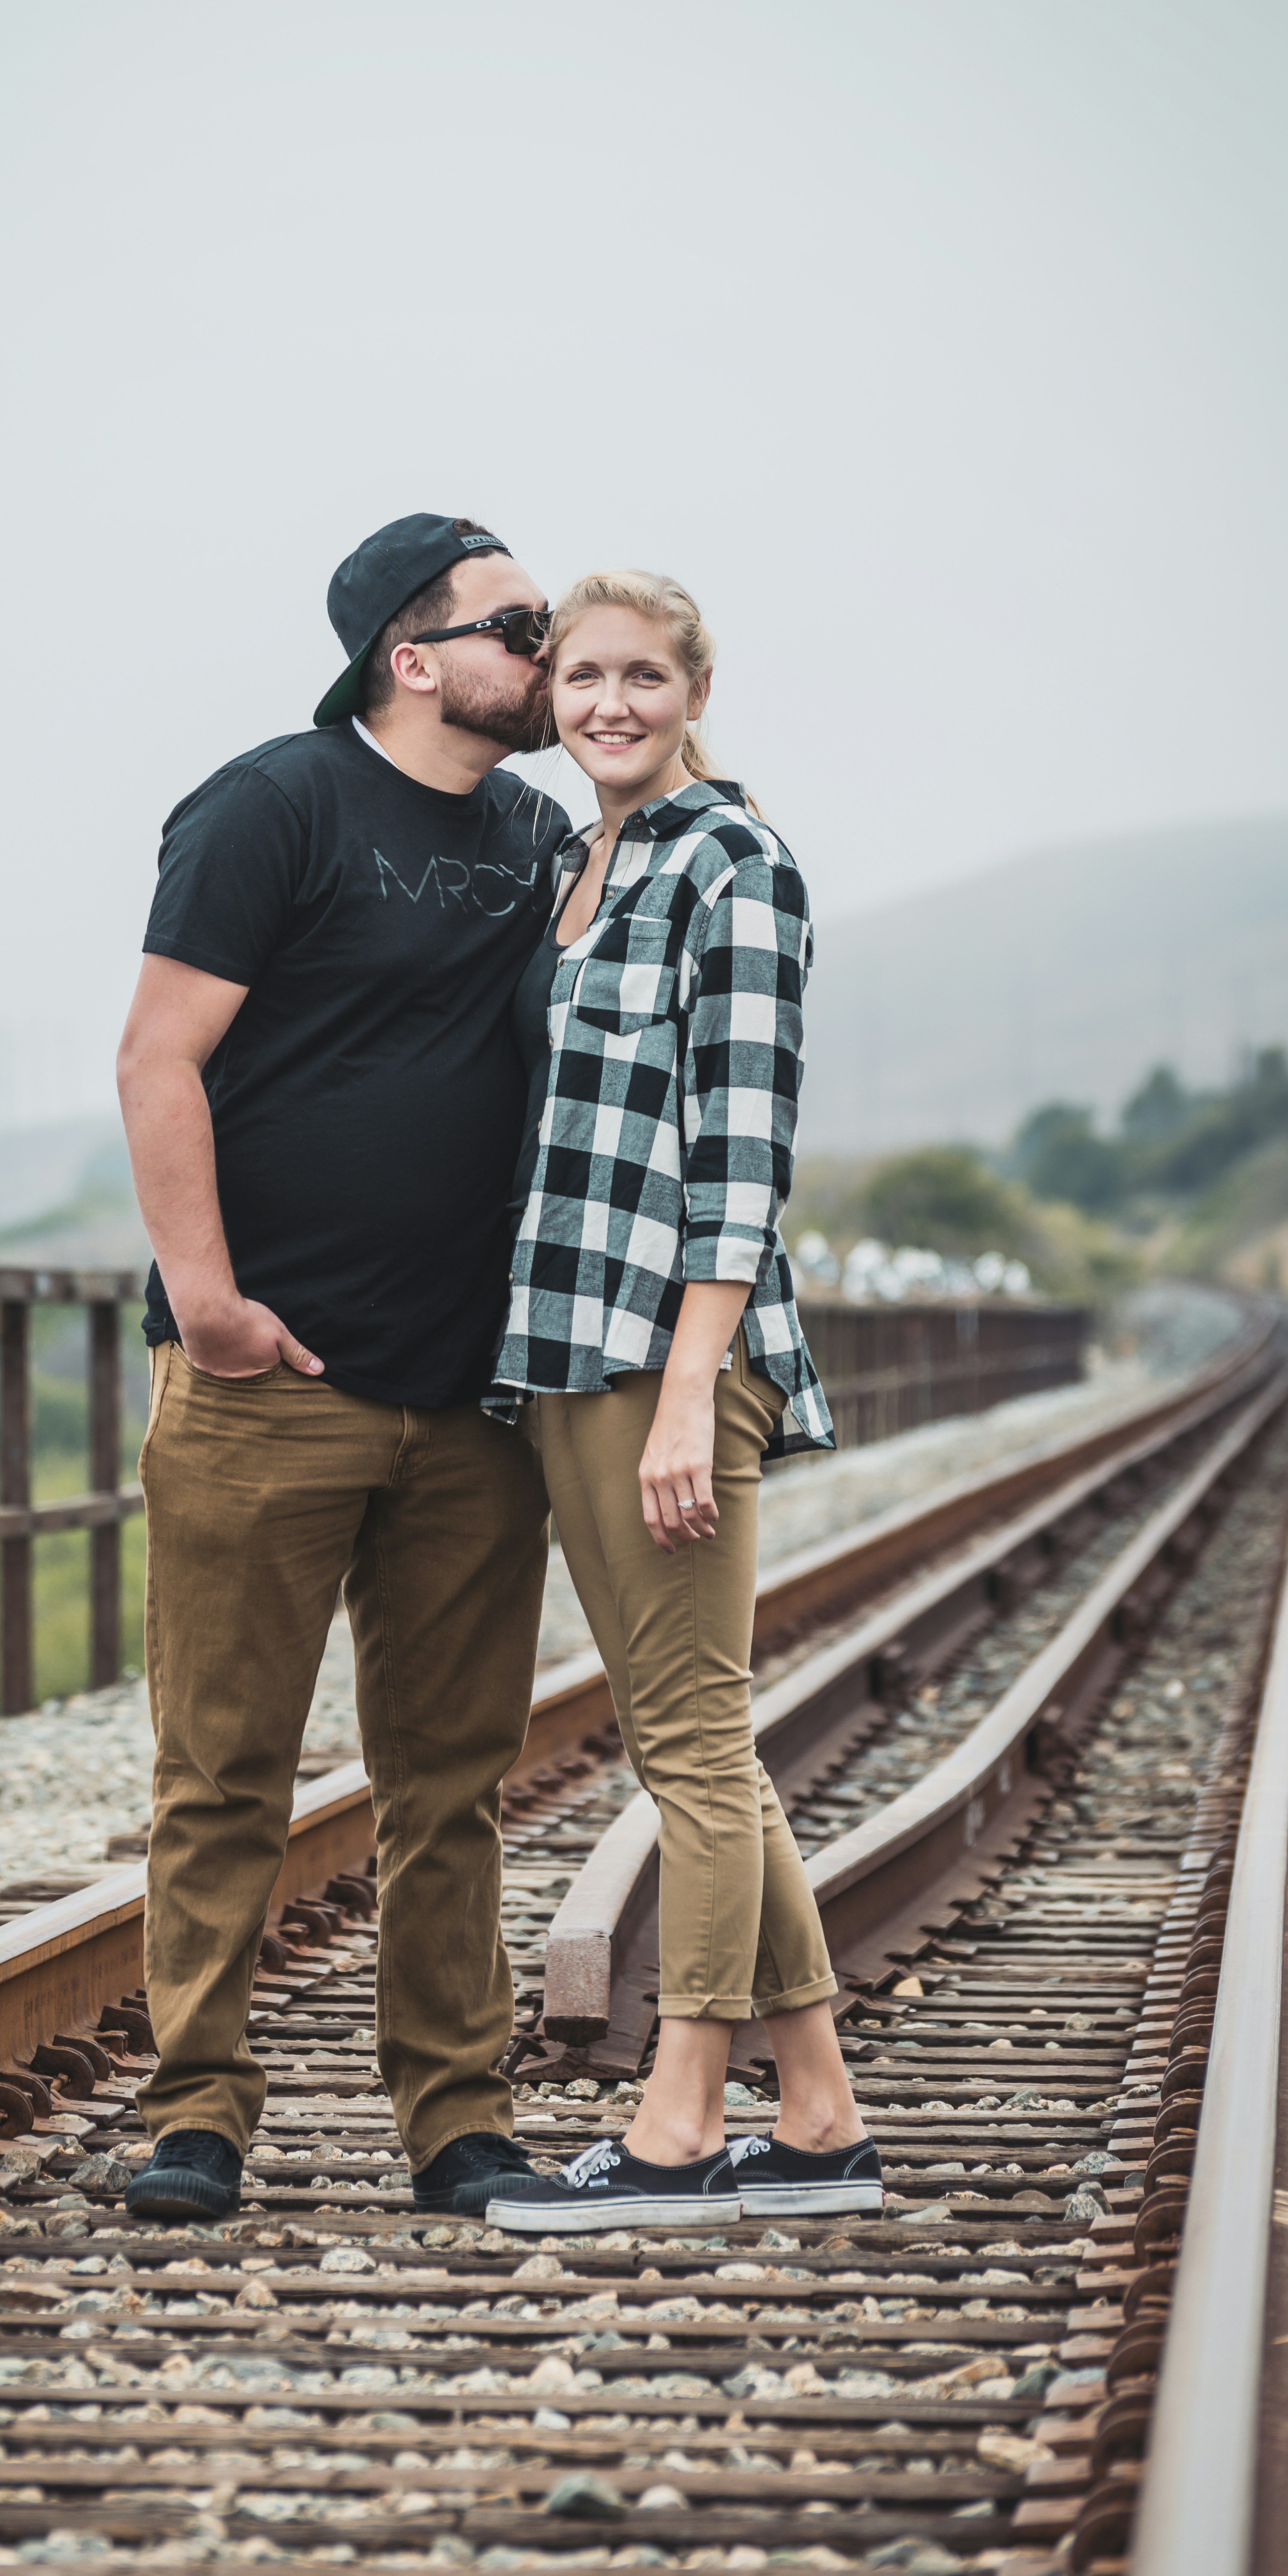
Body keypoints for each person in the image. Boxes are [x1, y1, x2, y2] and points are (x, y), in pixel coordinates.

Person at [114, 513, 571, 2227]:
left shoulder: (537, 834)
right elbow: (158, 1059)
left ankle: (458, 2118)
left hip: (468, 1397)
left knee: (449, 1784)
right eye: (516, 625)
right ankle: (196, 2117)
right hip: (265, 1381)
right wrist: (210, 1300)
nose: (541, 649)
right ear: (411, 653)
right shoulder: (271, 804)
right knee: (225, 1768)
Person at [479, 570, 880, 2233]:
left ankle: (676, 2122)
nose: (610, 704)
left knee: (695, 1748)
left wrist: (686, 1390)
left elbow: (742, 1155)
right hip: (567, 1344)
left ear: (695, 684)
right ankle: (817, 2113)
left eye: (642, 675)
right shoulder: (587, 861)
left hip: (665, 1354)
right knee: (688, 1738)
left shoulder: (734, 858)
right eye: (582, 676)